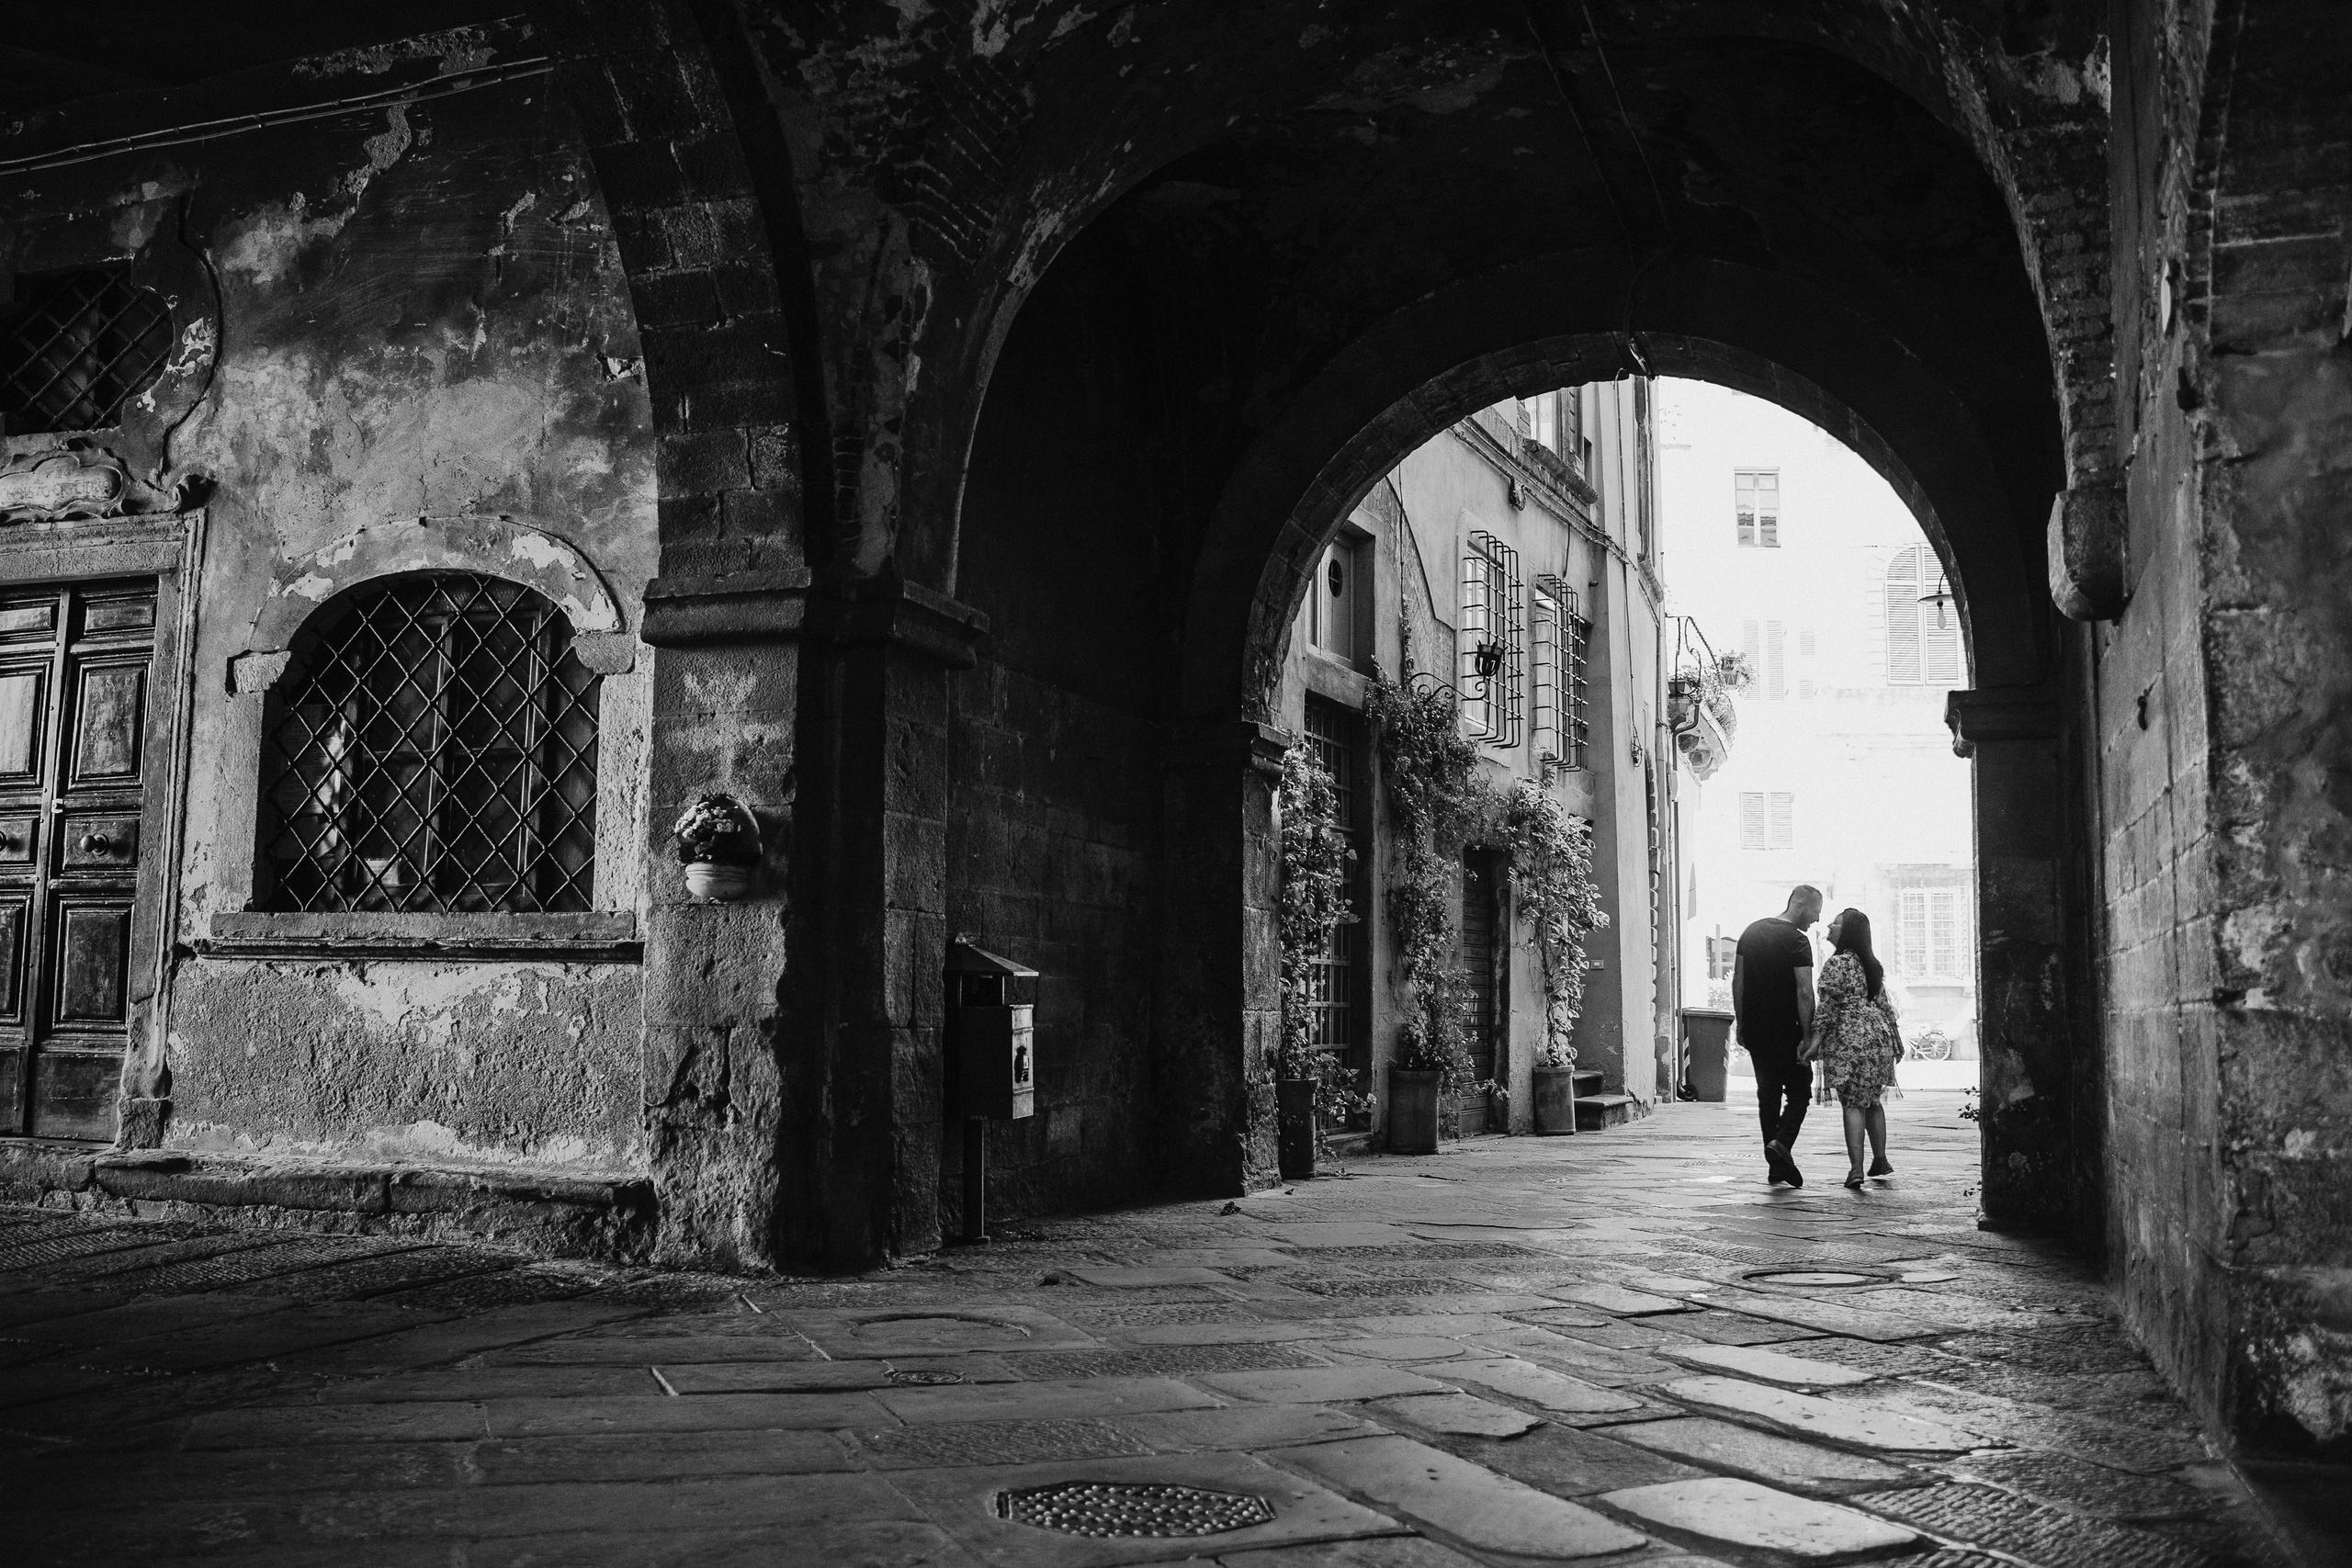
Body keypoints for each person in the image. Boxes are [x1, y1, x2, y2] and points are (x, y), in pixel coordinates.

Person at [1732, 885, 1822, 1187]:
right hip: (1789, 1030)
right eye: (1815, 912)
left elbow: (1738, 983)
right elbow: (1804, 992)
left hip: (1757, 1030)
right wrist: (1808, 1035)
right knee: (1800, 1093)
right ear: (1800, 905)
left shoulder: (1751, 932)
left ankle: (1775, 1167)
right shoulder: (1797, 939)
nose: (1817, 920)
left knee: (1767, 1096)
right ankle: (1781, 1143)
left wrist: (1741, 1025)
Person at [1814, 908, 1903, 1188]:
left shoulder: (1837, 964)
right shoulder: (1871, 964)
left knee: (1852, 1103)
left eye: (1836, 923)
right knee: (1873, 1100)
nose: (1830, 925)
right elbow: (1885, 1005)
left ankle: (1856, 1169)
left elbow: (1826, 1007)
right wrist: (1896, 1039)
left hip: (1847, 1039)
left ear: (1847, 932)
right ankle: (1881, 1158)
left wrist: (1814, 1041)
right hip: (1878, 1039)